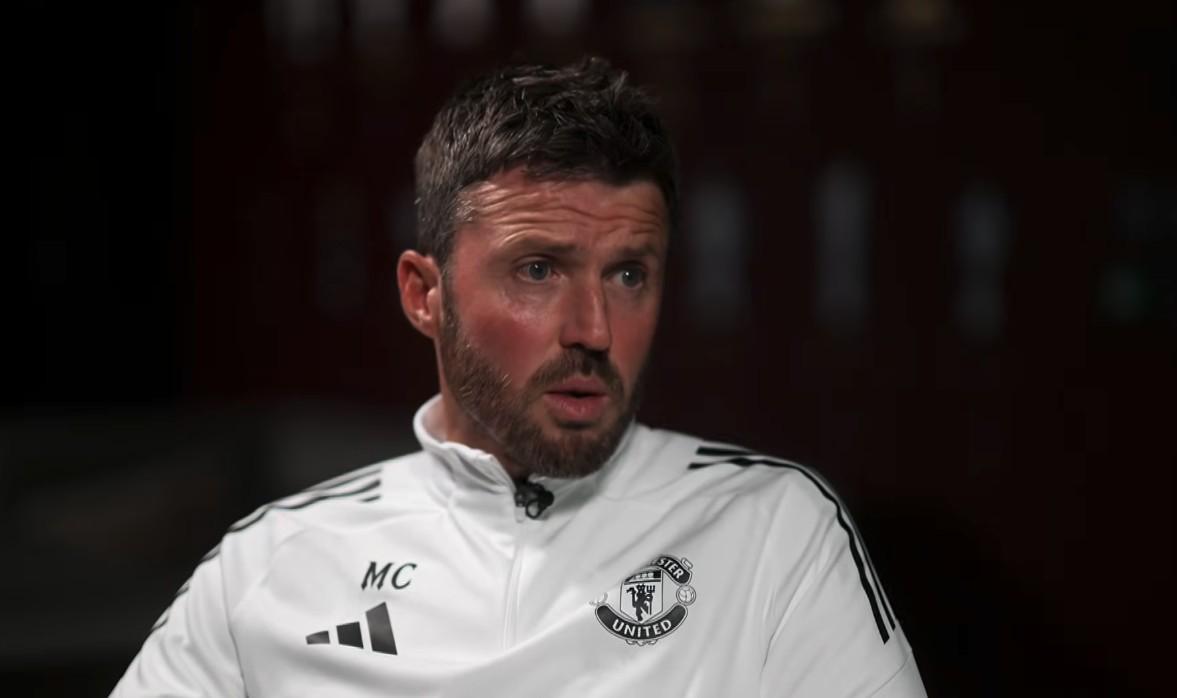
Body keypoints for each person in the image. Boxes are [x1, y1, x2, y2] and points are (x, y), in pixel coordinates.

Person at [112, 57, 926, 697]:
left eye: (629, 275)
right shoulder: (271, 566)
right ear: (424, 295)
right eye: (538, 270)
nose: (593, 330)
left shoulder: (772, 529)